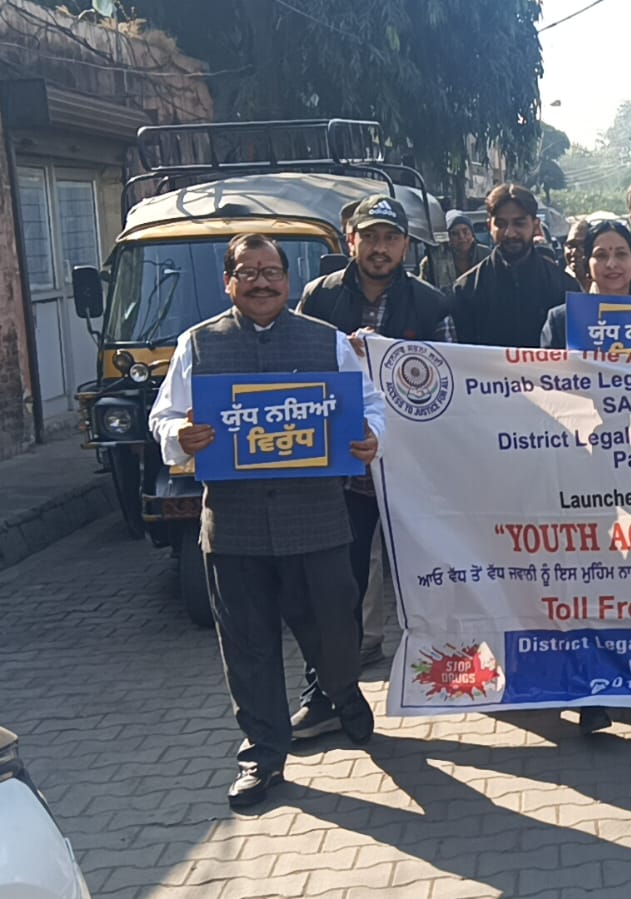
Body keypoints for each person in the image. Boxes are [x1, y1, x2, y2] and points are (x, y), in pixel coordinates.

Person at [148, 233, 383, 809]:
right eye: (248, 272)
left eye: (271, 272)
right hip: (235, 526)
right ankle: (262, 753)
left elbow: (372, 404)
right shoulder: (196, 344)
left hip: (317, 519)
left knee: (335, 630)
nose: (261, 282)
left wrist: (373, 436)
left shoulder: (328, 341)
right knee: (248, 646)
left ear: (287, 279)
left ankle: (342, 691)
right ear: (229, 282)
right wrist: (180, 435)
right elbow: (164, 416)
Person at [294, 194, 453, 736]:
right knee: (337, 589)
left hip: (414, 475)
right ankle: (328, 694)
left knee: (441, 578)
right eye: (370, 237)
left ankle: (458, 677)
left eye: (390, 238)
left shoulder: (432, 304)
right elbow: (297, 371)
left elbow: (449, 384)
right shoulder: (318, 298)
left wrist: (391, 357)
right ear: (351, 241)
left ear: (406, 246)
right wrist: (343, 355)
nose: (380, 248)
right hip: (344, 478)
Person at [451, 183, 581, 347]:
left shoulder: (565, 288)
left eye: (519, 223)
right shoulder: (466, 290)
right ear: (489, 226)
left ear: (535, 226)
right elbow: (463, 356)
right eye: (501, 224)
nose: (510, 233)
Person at [541, 219, 631, 351]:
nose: (611, 264)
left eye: (621, 254)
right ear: (587, 264)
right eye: (601, 255)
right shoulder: (562, 321)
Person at [419, 210, 490, 291]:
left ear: (472, 234)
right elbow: (423, 291)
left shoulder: (487, 256)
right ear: (448, 238)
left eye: (465, 231)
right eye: (455, 233)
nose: (461, 237)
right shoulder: (432, 262)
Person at [564, 217, 594, 291]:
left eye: (581, 245)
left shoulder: (606, 284)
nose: (574, 252)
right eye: (570, 245)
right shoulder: (559, 283)